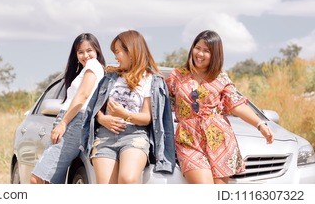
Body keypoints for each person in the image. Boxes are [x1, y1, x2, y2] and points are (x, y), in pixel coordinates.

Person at [166, 30, 274, 184]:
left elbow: (236, 104)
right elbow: (160, 104)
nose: (200, 54)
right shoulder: (177, 76)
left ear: (215, 54)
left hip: (219, 140)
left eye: (206, 51)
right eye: (197, 48)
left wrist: (260, 124)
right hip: (188, 139)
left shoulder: (221, 78)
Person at [80, 30, 175, 184]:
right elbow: (95, 109)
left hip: (135, 135)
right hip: (105, 136)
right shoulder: (109, 78)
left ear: (131, 51)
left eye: (118, 52)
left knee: (128, 179)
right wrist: (102, 118)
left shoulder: (151, 80)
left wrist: (123, 114)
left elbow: (147, 118)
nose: (116, 57)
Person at [30, 33, 106, 184]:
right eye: (80, 52)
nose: (85, 55)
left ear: (97, 50)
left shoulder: (93, 65)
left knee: (37, 179)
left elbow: (83, 96)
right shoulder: (85, 70)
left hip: (73, 122)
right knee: (49, 181)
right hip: (71, 120)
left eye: (89, 50)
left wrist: (63, 123)